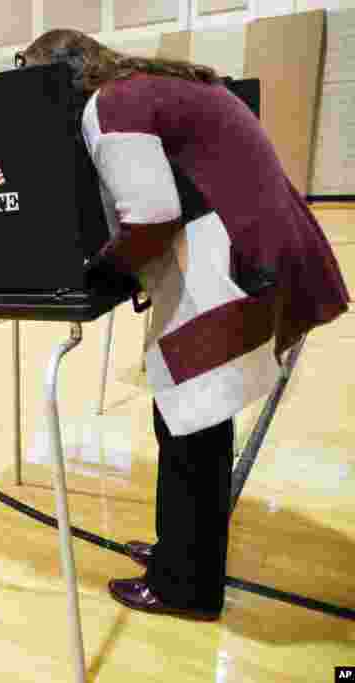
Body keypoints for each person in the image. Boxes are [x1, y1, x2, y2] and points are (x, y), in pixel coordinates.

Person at [19, 29, 349, 621]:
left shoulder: (109, 104)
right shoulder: (148, 84)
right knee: (196, 418)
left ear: (57, 82)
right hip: (257, 247)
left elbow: (150, 215)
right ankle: (182, 554)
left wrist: (100, 271)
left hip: (231, 258)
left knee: (190, 422)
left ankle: (184, 587)